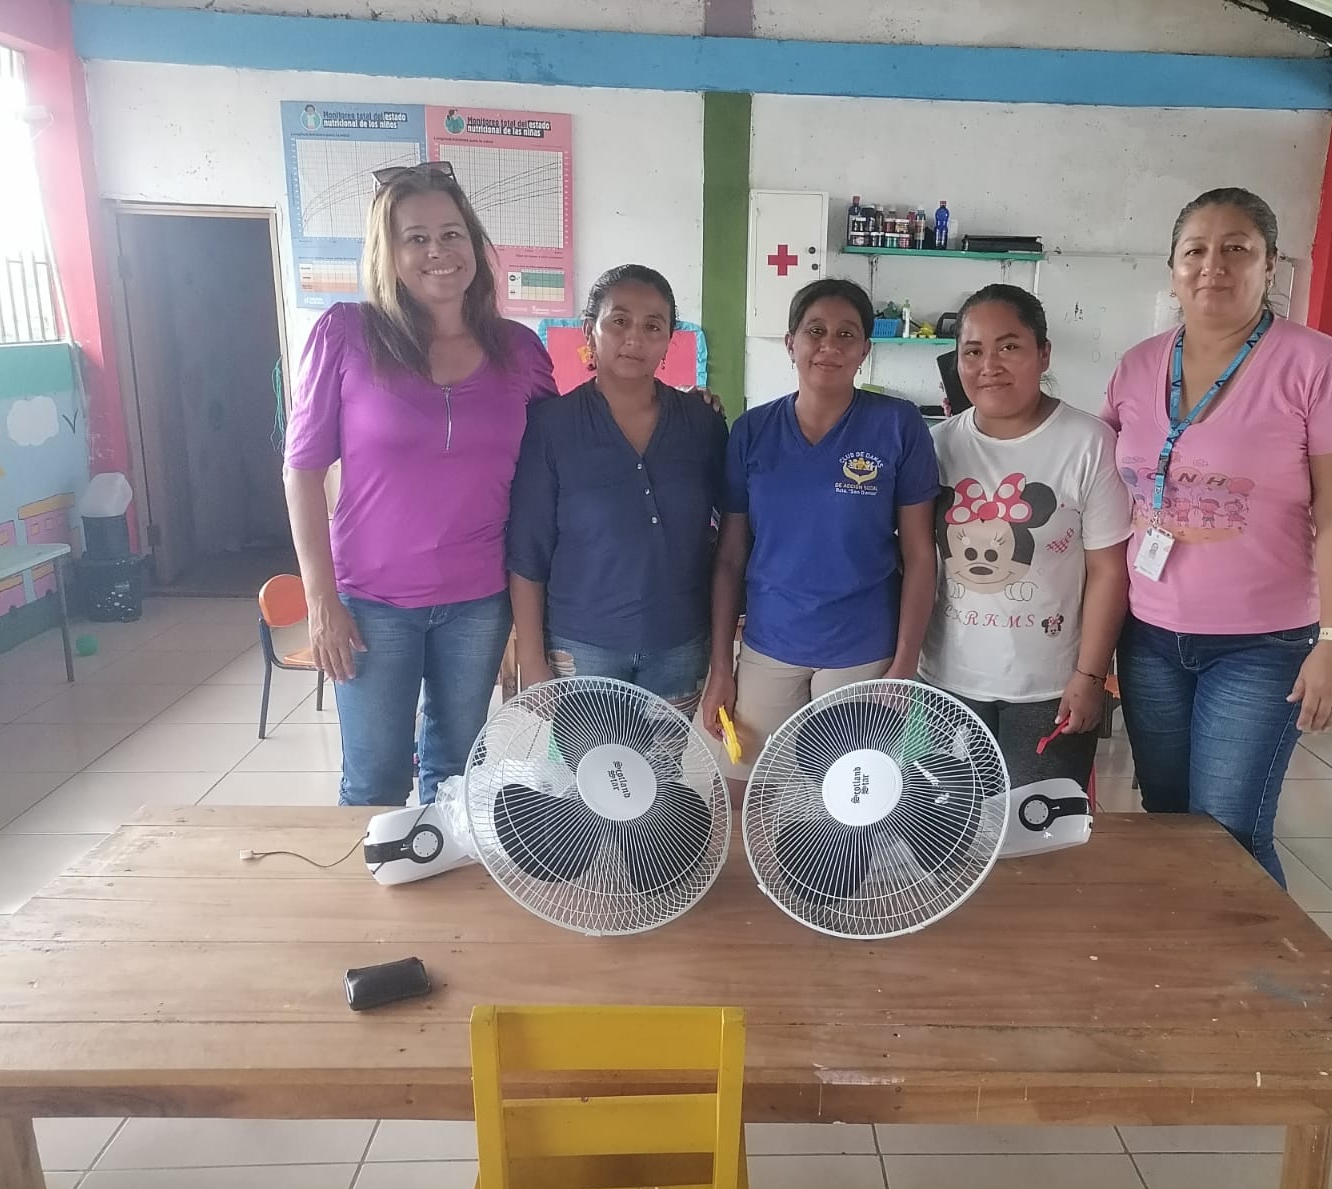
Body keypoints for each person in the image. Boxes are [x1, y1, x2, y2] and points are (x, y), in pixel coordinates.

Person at [1101, 187, 1332, 885]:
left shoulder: (1317, 366)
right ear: (1172, 268)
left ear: (1270, 264)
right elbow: (1102, 496)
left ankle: (1256, 959)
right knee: (1167, 817)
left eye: (1237, 249)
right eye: (1195, 250)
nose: (1212, 266)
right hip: (1148, 638)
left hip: (1263, 645)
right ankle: (1181, 948)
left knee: (1230, 834)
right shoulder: (1136, 366)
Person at [284, 162, 556, 806]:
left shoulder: (518, 349)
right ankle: (375, 875)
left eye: (452, 234)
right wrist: (320, 598)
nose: (439, 251)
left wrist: (676, 405)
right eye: (417, 238)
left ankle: (440, 870)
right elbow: (302, 470)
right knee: (374, 780)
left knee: (457, 778)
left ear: (474, 244)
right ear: (390, 253)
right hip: (371, 603)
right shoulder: (346, 334)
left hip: (479, 599)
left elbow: (564, 451)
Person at [700, 278, 939, 773]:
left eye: (846, 334)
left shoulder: (899, 426)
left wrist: (904, 664)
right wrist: (721, 666)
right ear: (791, 343)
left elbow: (920, 556)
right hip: (771, 642)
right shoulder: (752, 431)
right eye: (815, 331)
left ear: (865, 349)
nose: (830, 345)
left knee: (848, 798)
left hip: (864, 650)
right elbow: (730, 559)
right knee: (747, 788)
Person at [919, 285, 1131, 791]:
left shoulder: (1089, 443)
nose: (989, 365)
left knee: (1039, 828)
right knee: (946, 824)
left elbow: (1108, 571)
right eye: (973, 351)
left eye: (1009, 346)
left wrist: (1090, 677)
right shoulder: (935, 445)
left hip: (1051, 688)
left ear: (1044, 353)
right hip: (946, 684)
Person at [508, 265, 728, 714]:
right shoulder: (552, 426)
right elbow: (528, 550)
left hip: (679, 644)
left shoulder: (701, 424)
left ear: (669, 340)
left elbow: (730, 533)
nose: (635, 338)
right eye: (620, 321)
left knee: (663, 761)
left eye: (653, 326)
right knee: (588, 761)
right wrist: (531, 660)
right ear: (590, 331)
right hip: (581, 645)